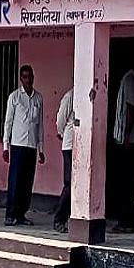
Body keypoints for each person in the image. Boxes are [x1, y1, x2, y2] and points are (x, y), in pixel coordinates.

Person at [2, 64, 45, 226]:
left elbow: (40, 125)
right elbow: (8, 122)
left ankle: (21, 214)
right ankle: (10, 214)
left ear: (33, 77)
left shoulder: (38, 98)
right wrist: (5, 147)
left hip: (32, 146)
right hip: (17, 145)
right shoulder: (14, 97)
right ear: (21, 78)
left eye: (30, 76)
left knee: (27, 183)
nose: (28, 79)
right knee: (15, 181)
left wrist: (41, 149)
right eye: (25, 76)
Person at [112, 69, 134, 233]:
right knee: (128, 182)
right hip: (133, 137)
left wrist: (126, 135)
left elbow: (130, 108)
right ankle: (127, 221)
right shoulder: (133, 80)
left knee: (126, 183)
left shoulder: (129, 80)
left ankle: (125, 222)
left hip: (131, 139)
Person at [53, 87, 75, 233]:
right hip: (69, 144)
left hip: (82, 144)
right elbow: (60, 121)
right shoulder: (69, 97)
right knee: (69, 183)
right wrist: (62, 134)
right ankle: (59, 218)